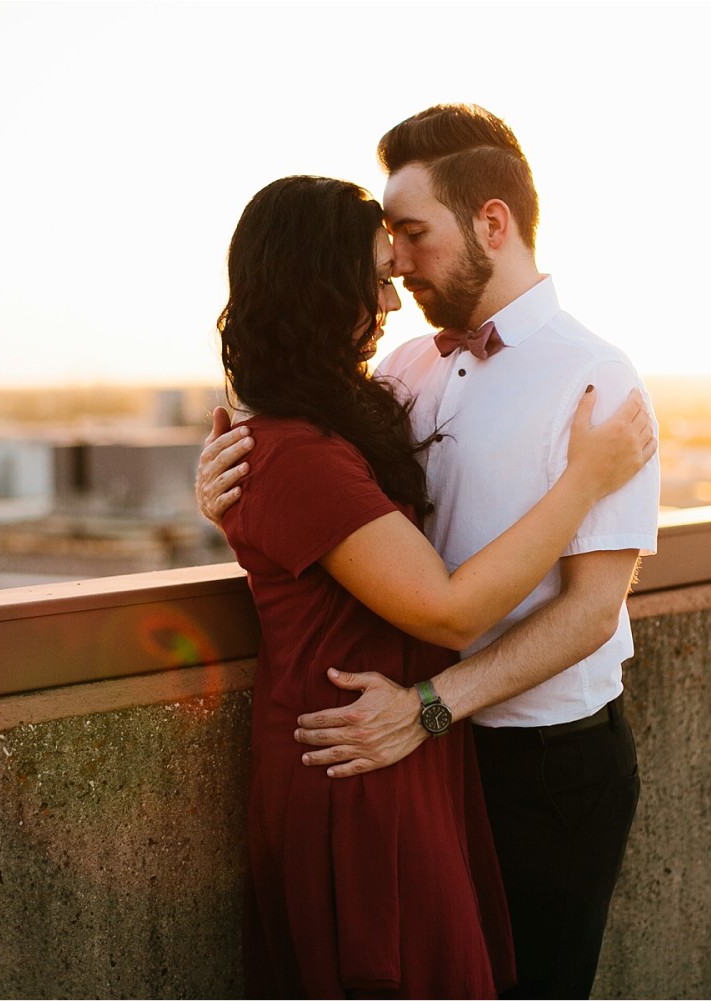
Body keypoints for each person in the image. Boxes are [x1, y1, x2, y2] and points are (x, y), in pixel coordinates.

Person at [200, 105, 662, 998]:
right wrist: (223, 477)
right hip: (421, 758)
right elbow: (301, 441)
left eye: (413, 234)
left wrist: (429, 707)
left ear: (493, 222)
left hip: (542, 766)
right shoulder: (404, 366)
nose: (398, 263)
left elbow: (590, 613)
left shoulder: (598, 380)